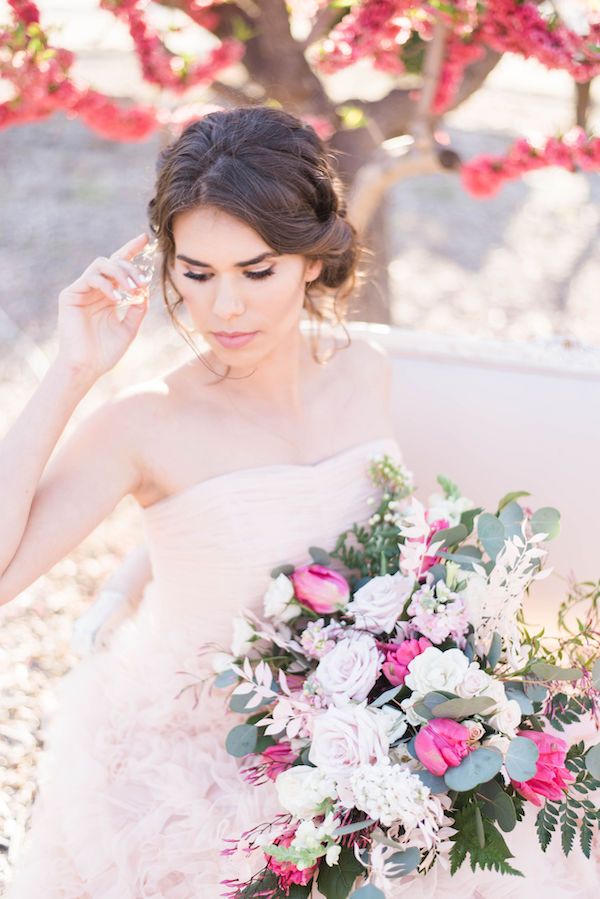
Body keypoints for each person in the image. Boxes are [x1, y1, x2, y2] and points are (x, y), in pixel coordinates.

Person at [1, 106, 596, 899]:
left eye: (257, 270)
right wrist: (71, 374)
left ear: (313, 261)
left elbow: (272, 523)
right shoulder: (141, 422)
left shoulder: (363, 369)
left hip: (374, 726)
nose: (226, 309)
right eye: (197, 273)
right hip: (201, 761)